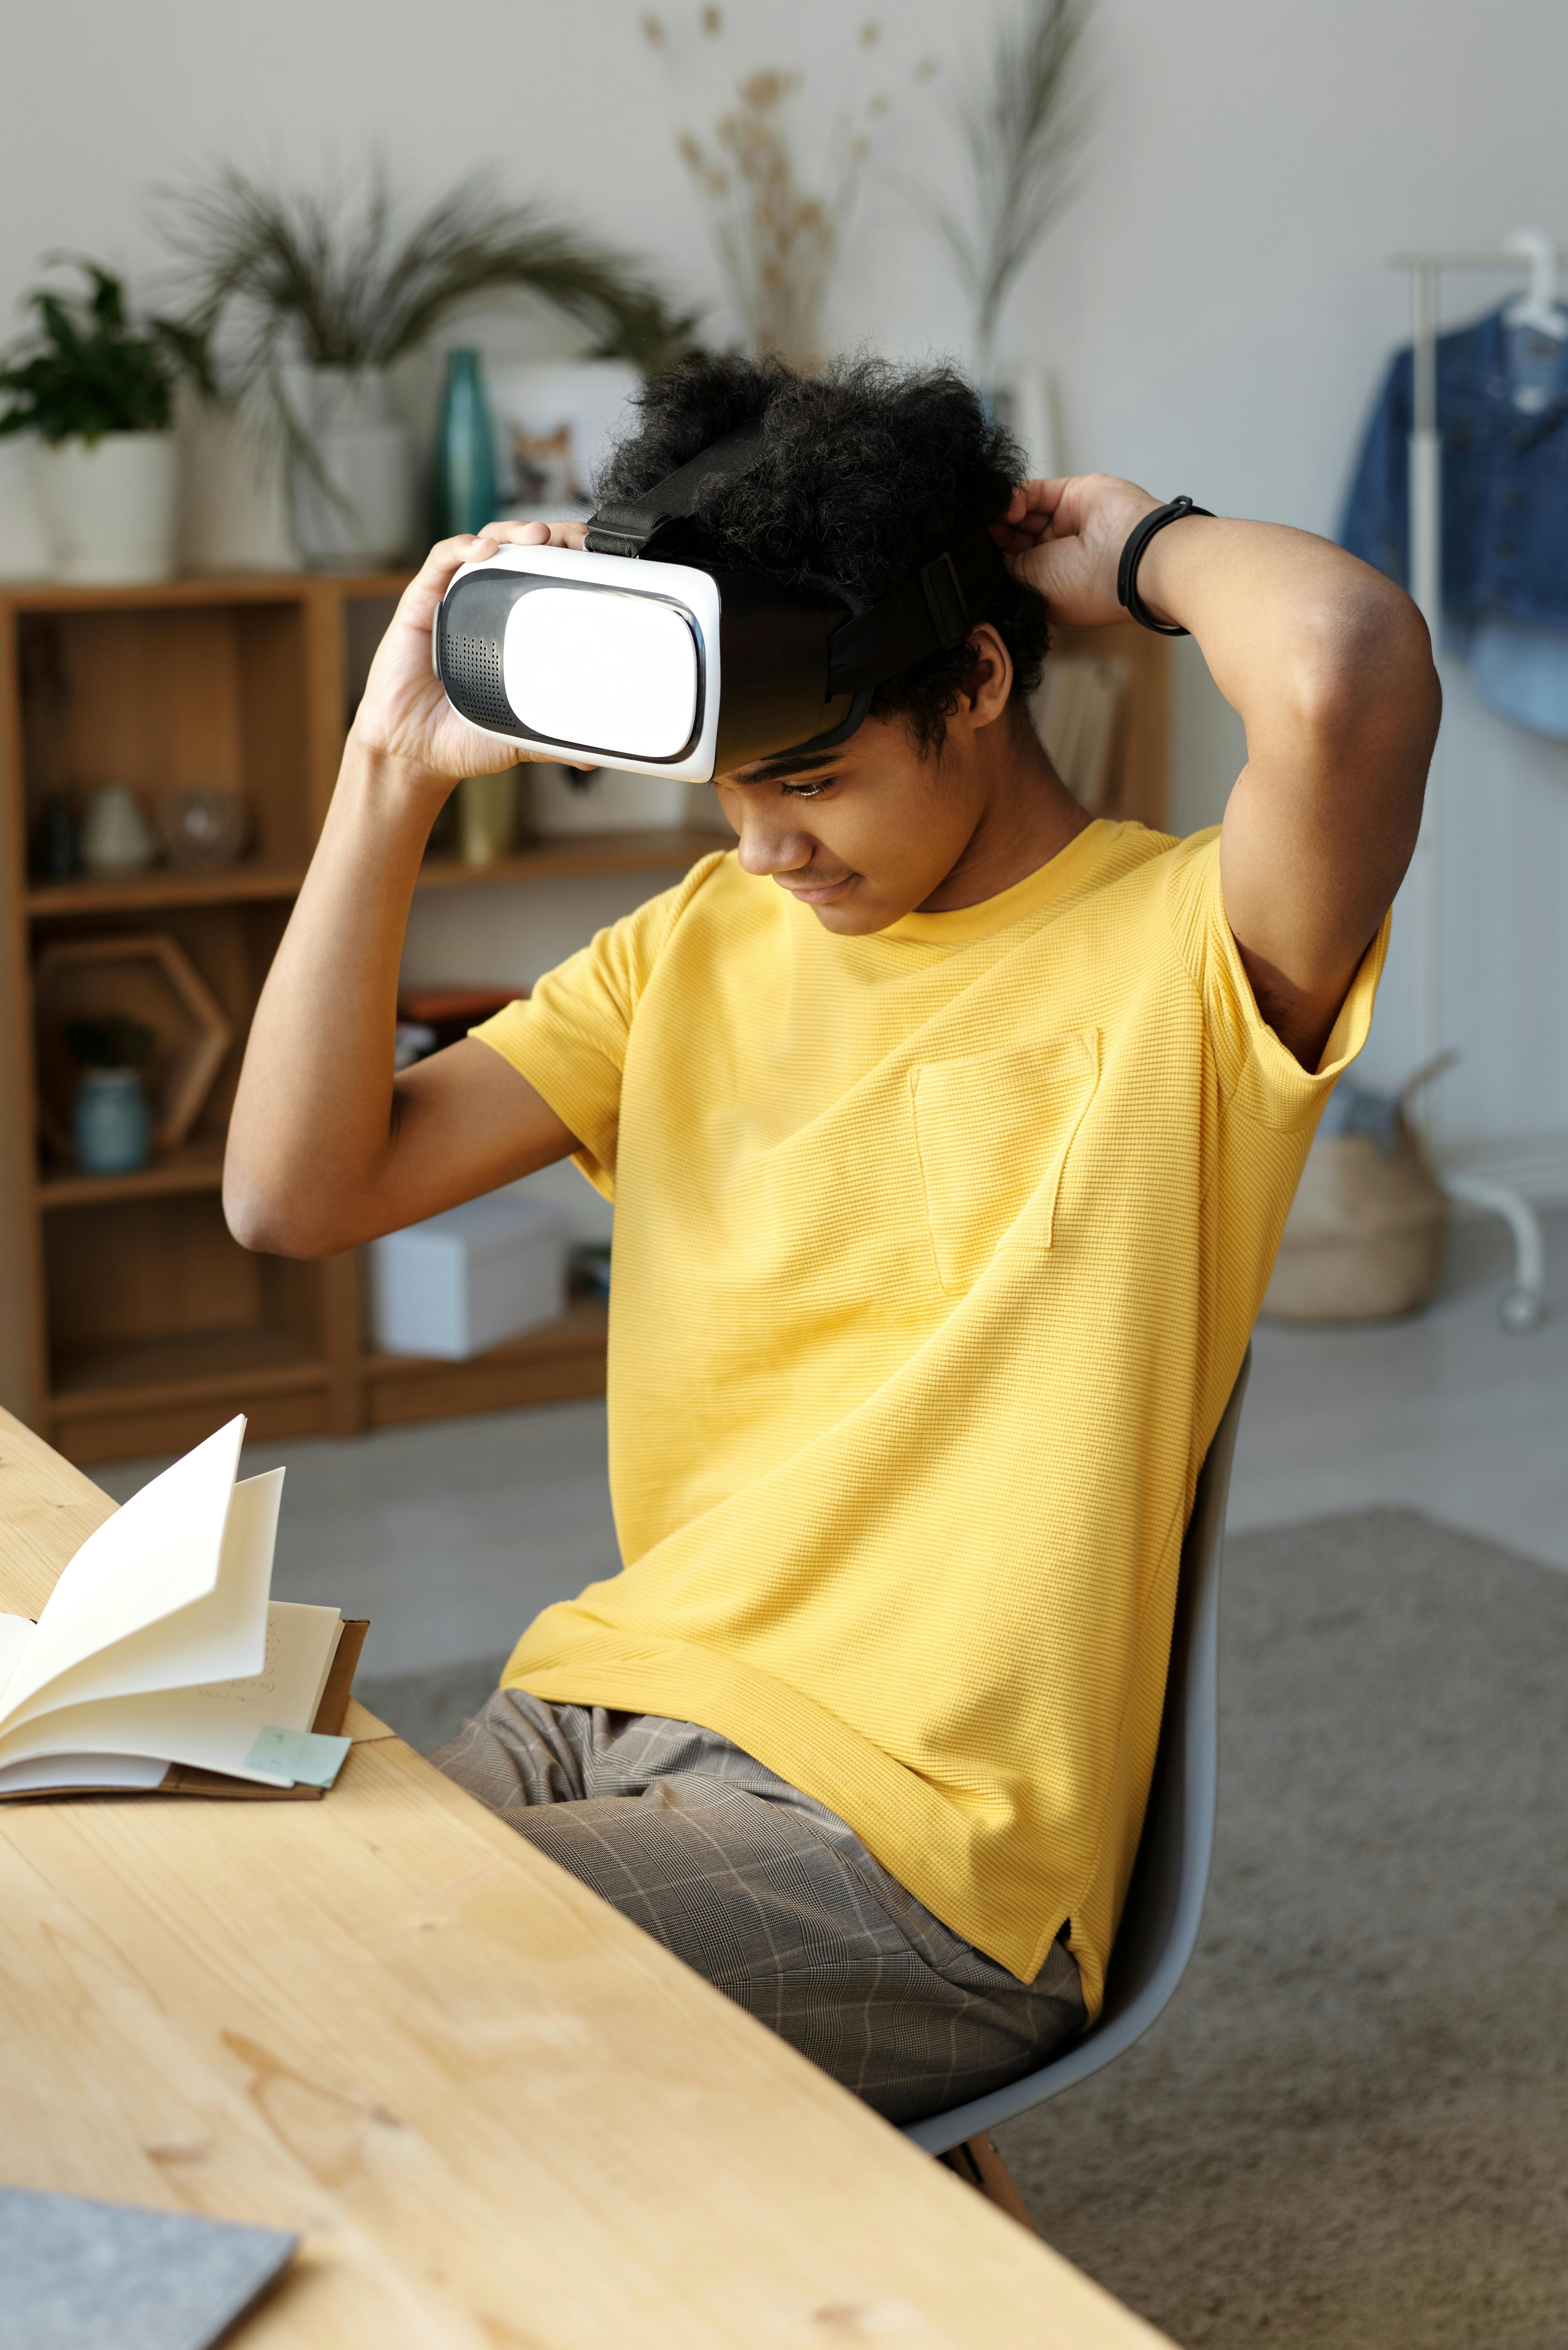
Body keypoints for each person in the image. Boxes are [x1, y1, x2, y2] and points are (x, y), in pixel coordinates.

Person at [224, 356, 1438, 2126]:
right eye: (727, 789)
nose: (768, 843)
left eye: (816, 779)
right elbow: (293, 1196)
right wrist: (385, 771)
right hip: (593, 1709)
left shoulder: (1197, 955)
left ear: (981, 677)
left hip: (909, 1852)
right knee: (186, 1930)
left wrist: (1146, 543)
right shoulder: (695, 945)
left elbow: (1346, 671)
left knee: (358, 2013)